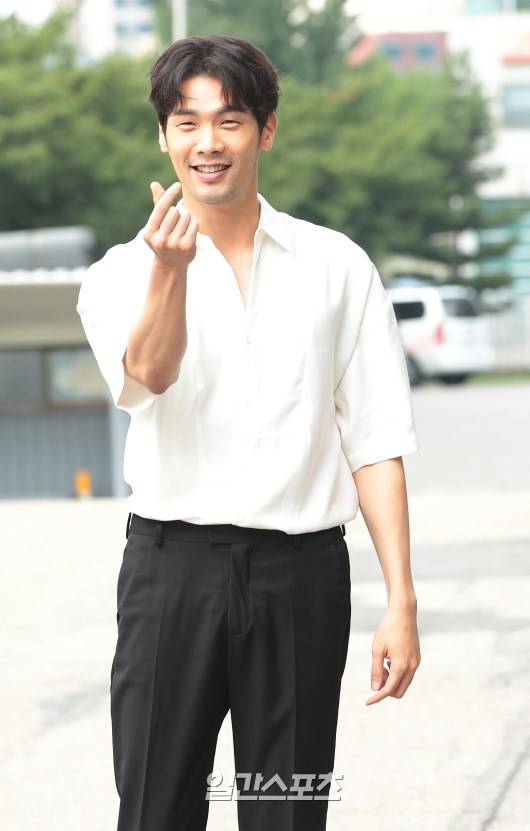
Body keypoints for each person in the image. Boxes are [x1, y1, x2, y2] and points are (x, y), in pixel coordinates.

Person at [76, 34, 421, 831]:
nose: (208, 142)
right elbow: (148, 375)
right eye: (187, 122)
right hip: (171, 573)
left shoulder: (337, 268)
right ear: (163, 136)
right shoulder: (122, 273)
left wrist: (401, 598)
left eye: (229, 120)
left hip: (301, 578)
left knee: (286, 814)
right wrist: (170, 272)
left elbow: (375, 441)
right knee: (156, 809)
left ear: (266, 130)